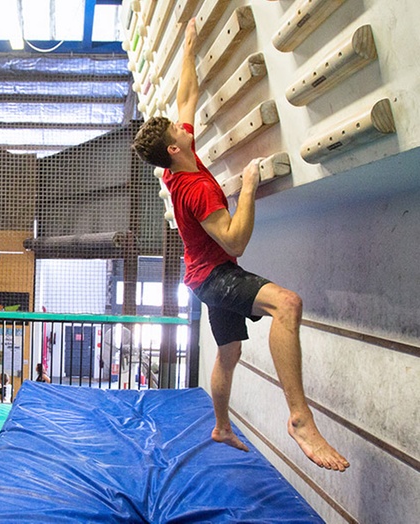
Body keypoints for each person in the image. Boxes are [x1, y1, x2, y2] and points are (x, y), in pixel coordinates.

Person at [132, 20, 349, 472]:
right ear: (175, 149)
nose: (181, 124)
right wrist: (248, 186)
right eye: (177, 129)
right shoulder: (195, 189)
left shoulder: (177, 160)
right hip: (213, 277)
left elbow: (187, 95)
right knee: (286, 305)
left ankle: (220, 426)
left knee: (228, 354)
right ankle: (300, 418)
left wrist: (188, 47)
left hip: (199, 275)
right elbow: (235, 240)